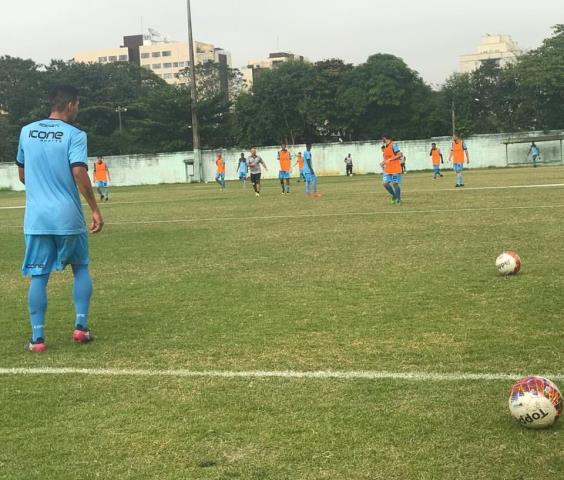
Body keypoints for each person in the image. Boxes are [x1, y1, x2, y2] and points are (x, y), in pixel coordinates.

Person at [16, 85, 103, 352]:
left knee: (38, 276)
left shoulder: (26, 131)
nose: (78, 109)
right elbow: (78, 172)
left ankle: (38, 339)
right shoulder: (75, 134)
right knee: (80, 268)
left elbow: (22, 174)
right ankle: (80, 328)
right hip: (67, 216)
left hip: (37, 218)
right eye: (77, 104)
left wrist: (41, 190)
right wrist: (95, 208)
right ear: (70, 105)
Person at [381, 135, 403, 204]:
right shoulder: (385, 147)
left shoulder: (393, 145)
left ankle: (398, 199)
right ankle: (394, 195)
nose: (382, 140)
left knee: (395, 184)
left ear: (386, 138)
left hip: (395, 168)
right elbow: (386, 158)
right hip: (388, 169)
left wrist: (390, 159)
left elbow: (399, 155)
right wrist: (383, 162)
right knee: (385, 184)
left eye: (383, 138)